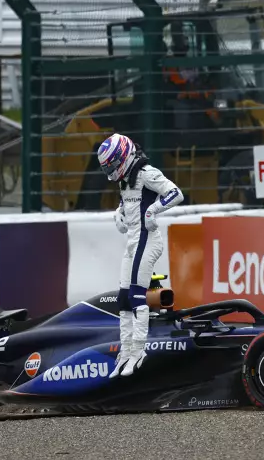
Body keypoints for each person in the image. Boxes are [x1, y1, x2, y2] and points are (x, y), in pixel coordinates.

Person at [99, 133, 184, 378]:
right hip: (133, 242)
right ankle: (125, 352)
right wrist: (119, 214)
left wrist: (153, 211)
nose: (112, 170)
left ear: (123, 157)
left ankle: (139, 351)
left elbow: (175, 192)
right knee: (123, 300)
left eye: (113, 165)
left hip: (148, 240)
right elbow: (125, 205)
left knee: (137, 296)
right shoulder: (125, 179)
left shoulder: (146, 172)